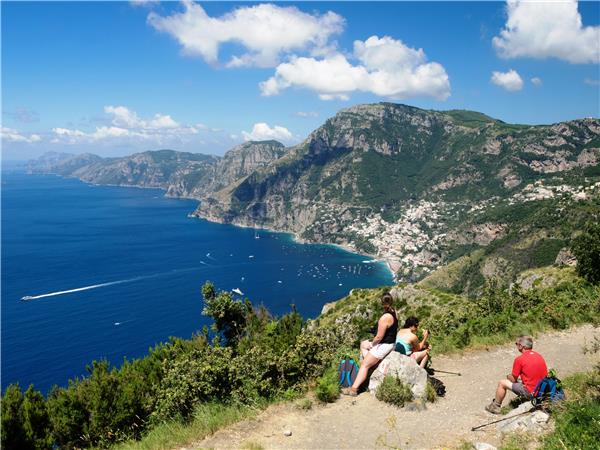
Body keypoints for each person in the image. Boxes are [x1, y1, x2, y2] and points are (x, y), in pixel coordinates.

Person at [341, 293, 398, 396]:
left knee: (364, 365)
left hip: (384, 345)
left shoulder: (385, 317)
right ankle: (374, 363)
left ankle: (354, 389)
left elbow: (379, 337)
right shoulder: (394, 312)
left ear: (382, 303)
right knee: (363, 344)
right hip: (390, 343)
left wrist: (373, 344)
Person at [485, 335, 548, 414]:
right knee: (521, 380)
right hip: (542, 390)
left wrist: (509, 376)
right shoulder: (539, 356)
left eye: (516, 343)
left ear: (521, 346)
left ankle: (495, 406)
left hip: (531, 392)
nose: (516, 345)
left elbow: (513, 380)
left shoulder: (519, 359)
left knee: (502, 383)